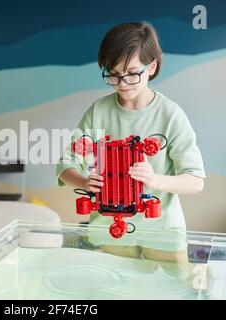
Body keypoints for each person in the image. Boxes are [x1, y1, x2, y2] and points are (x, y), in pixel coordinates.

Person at [55, 22, 206, 263]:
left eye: (133, 73)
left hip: (162, 232)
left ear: (152, 67)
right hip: (108, 231)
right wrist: (84, 180)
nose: (123, 83)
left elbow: (195, 181)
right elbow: (65, 166)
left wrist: (153, 179)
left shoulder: (171, 115)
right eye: (113, 75)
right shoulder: (98, 112)